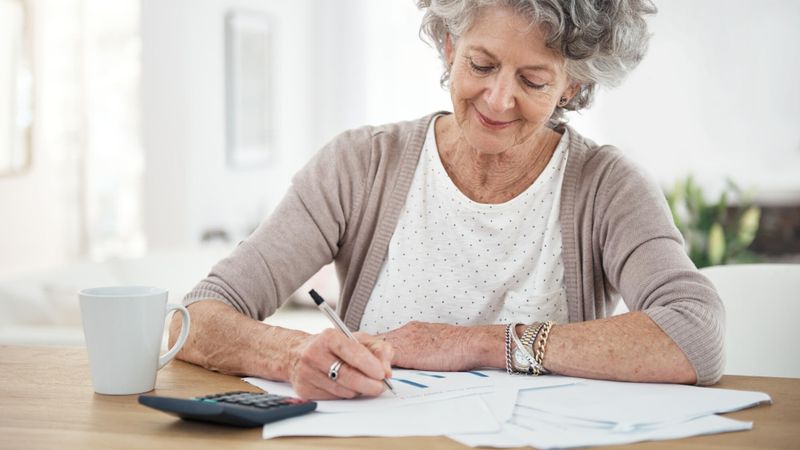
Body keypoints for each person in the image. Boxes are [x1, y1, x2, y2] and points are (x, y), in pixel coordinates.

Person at [170, 0, 724, 400]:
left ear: (572, 86)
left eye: (533, 80)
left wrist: (477, 345)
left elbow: (695, 334)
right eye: (482, 65)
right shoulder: (361, 166)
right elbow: (192, 318)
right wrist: (295, 355)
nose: (499, 98)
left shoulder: (609, 187)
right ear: (449, 45)